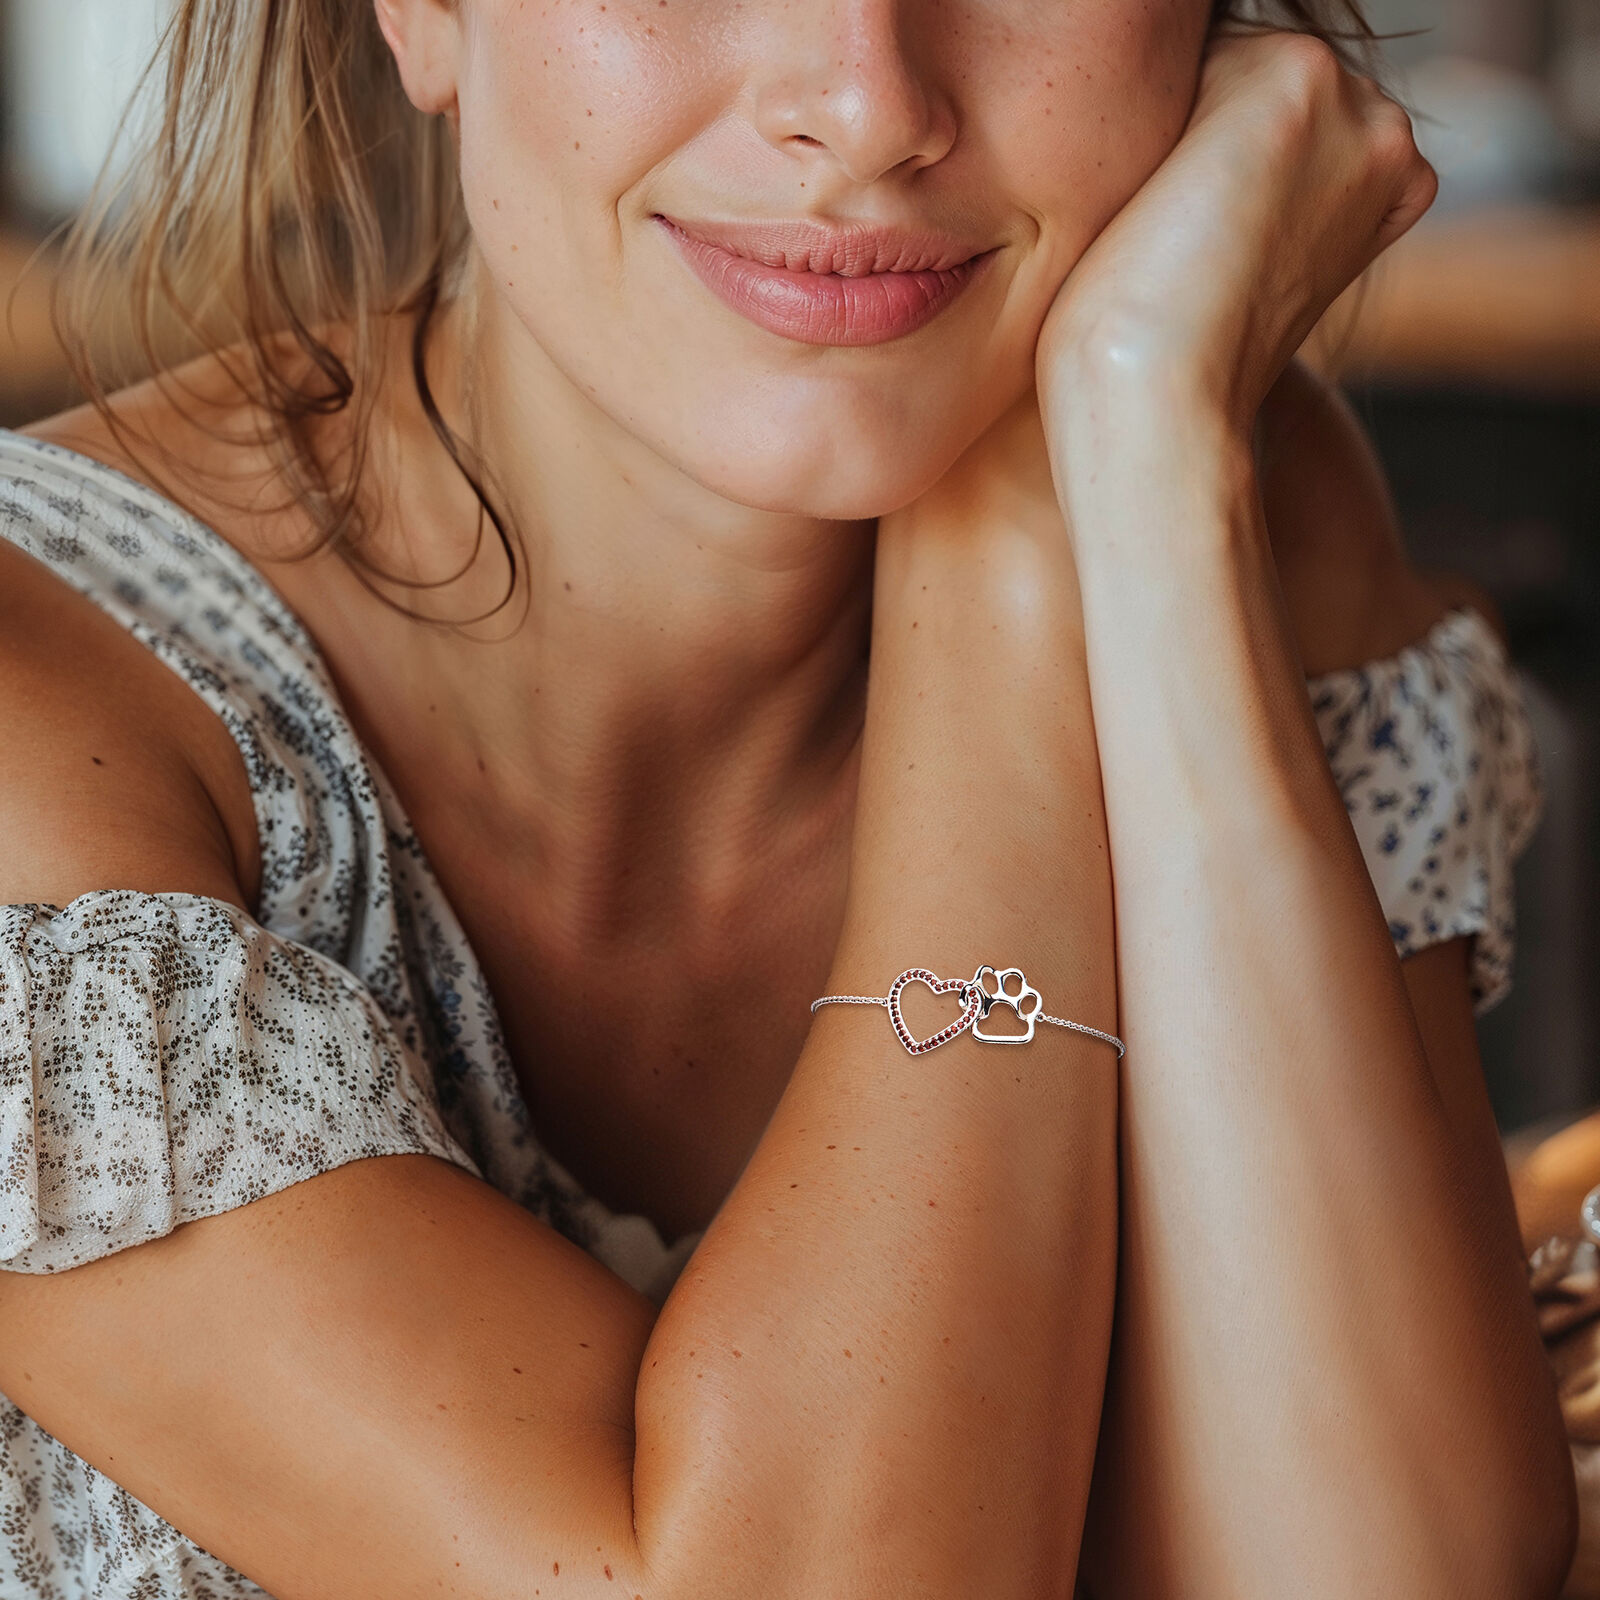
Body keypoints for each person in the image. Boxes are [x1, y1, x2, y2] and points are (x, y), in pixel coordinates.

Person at [0, 0, 1578, 1594]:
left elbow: (1396, 1572)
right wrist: (1018, 517)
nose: (867, 103)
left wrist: (1123, 444)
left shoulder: (1195, 464)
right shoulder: (42, 698)